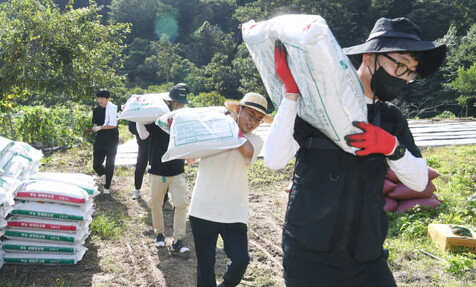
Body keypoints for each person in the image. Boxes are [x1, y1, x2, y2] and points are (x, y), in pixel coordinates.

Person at [265, 17, 446, 286]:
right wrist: (292, 94)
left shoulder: (391, 119)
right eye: (400, 65)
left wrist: (391, 147)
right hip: (310, 255)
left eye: (410, 72)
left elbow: (419, 181)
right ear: (370, 56)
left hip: (366, 256)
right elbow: (274, 159)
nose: (405, 78)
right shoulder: (317, 105)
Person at [188, 93, 273, 287]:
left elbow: (245, 150)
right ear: (238, 110)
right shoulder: (214, 132)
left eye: (258, 119)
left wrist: (226, 124)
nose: (253, 122)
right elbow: (190, 158)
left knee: (241, 260)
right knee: (206, 266)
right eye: (250, 115)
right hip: (203, 209)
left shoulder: (255, 140)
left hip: (234, 212)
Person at [136, 83, 191, 253]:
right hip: (157, 169)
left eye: (182, 104)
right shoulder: (157, 119)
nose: (179, 106)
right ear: (170, 102)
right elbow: (143, 134)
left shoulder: (184, 120)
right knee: (157, 204)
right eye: (177, 103)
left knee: (181, 203)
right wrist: (138, 116)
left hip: (177, 169)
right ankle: (159, 234)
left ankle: (178, 240)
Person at [91, 88, 119, 195]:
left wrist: (101, 128)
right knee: (96, 164)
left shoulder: (113, 109)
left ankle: (107, 187)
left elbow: (113, 125)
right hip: (100, 139)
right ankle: (104, 176)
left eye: (102, 98)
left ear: (107, 99)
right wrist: (95, 128)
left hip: (112, 140)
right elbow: (95, 124)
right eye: (98, 98)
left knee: (110, 164)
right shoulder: (96, 110)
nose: (100, 100)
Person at [128, 121, 150, 200]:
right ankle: (137, 189)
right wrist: (142, 131)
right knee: (140, 166)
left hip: (156, 142)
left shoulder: (154, 110)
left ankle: (163, 193)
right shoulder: (136, 111)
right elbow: (131, 128)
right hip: (142, 143)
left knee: (157, 167)